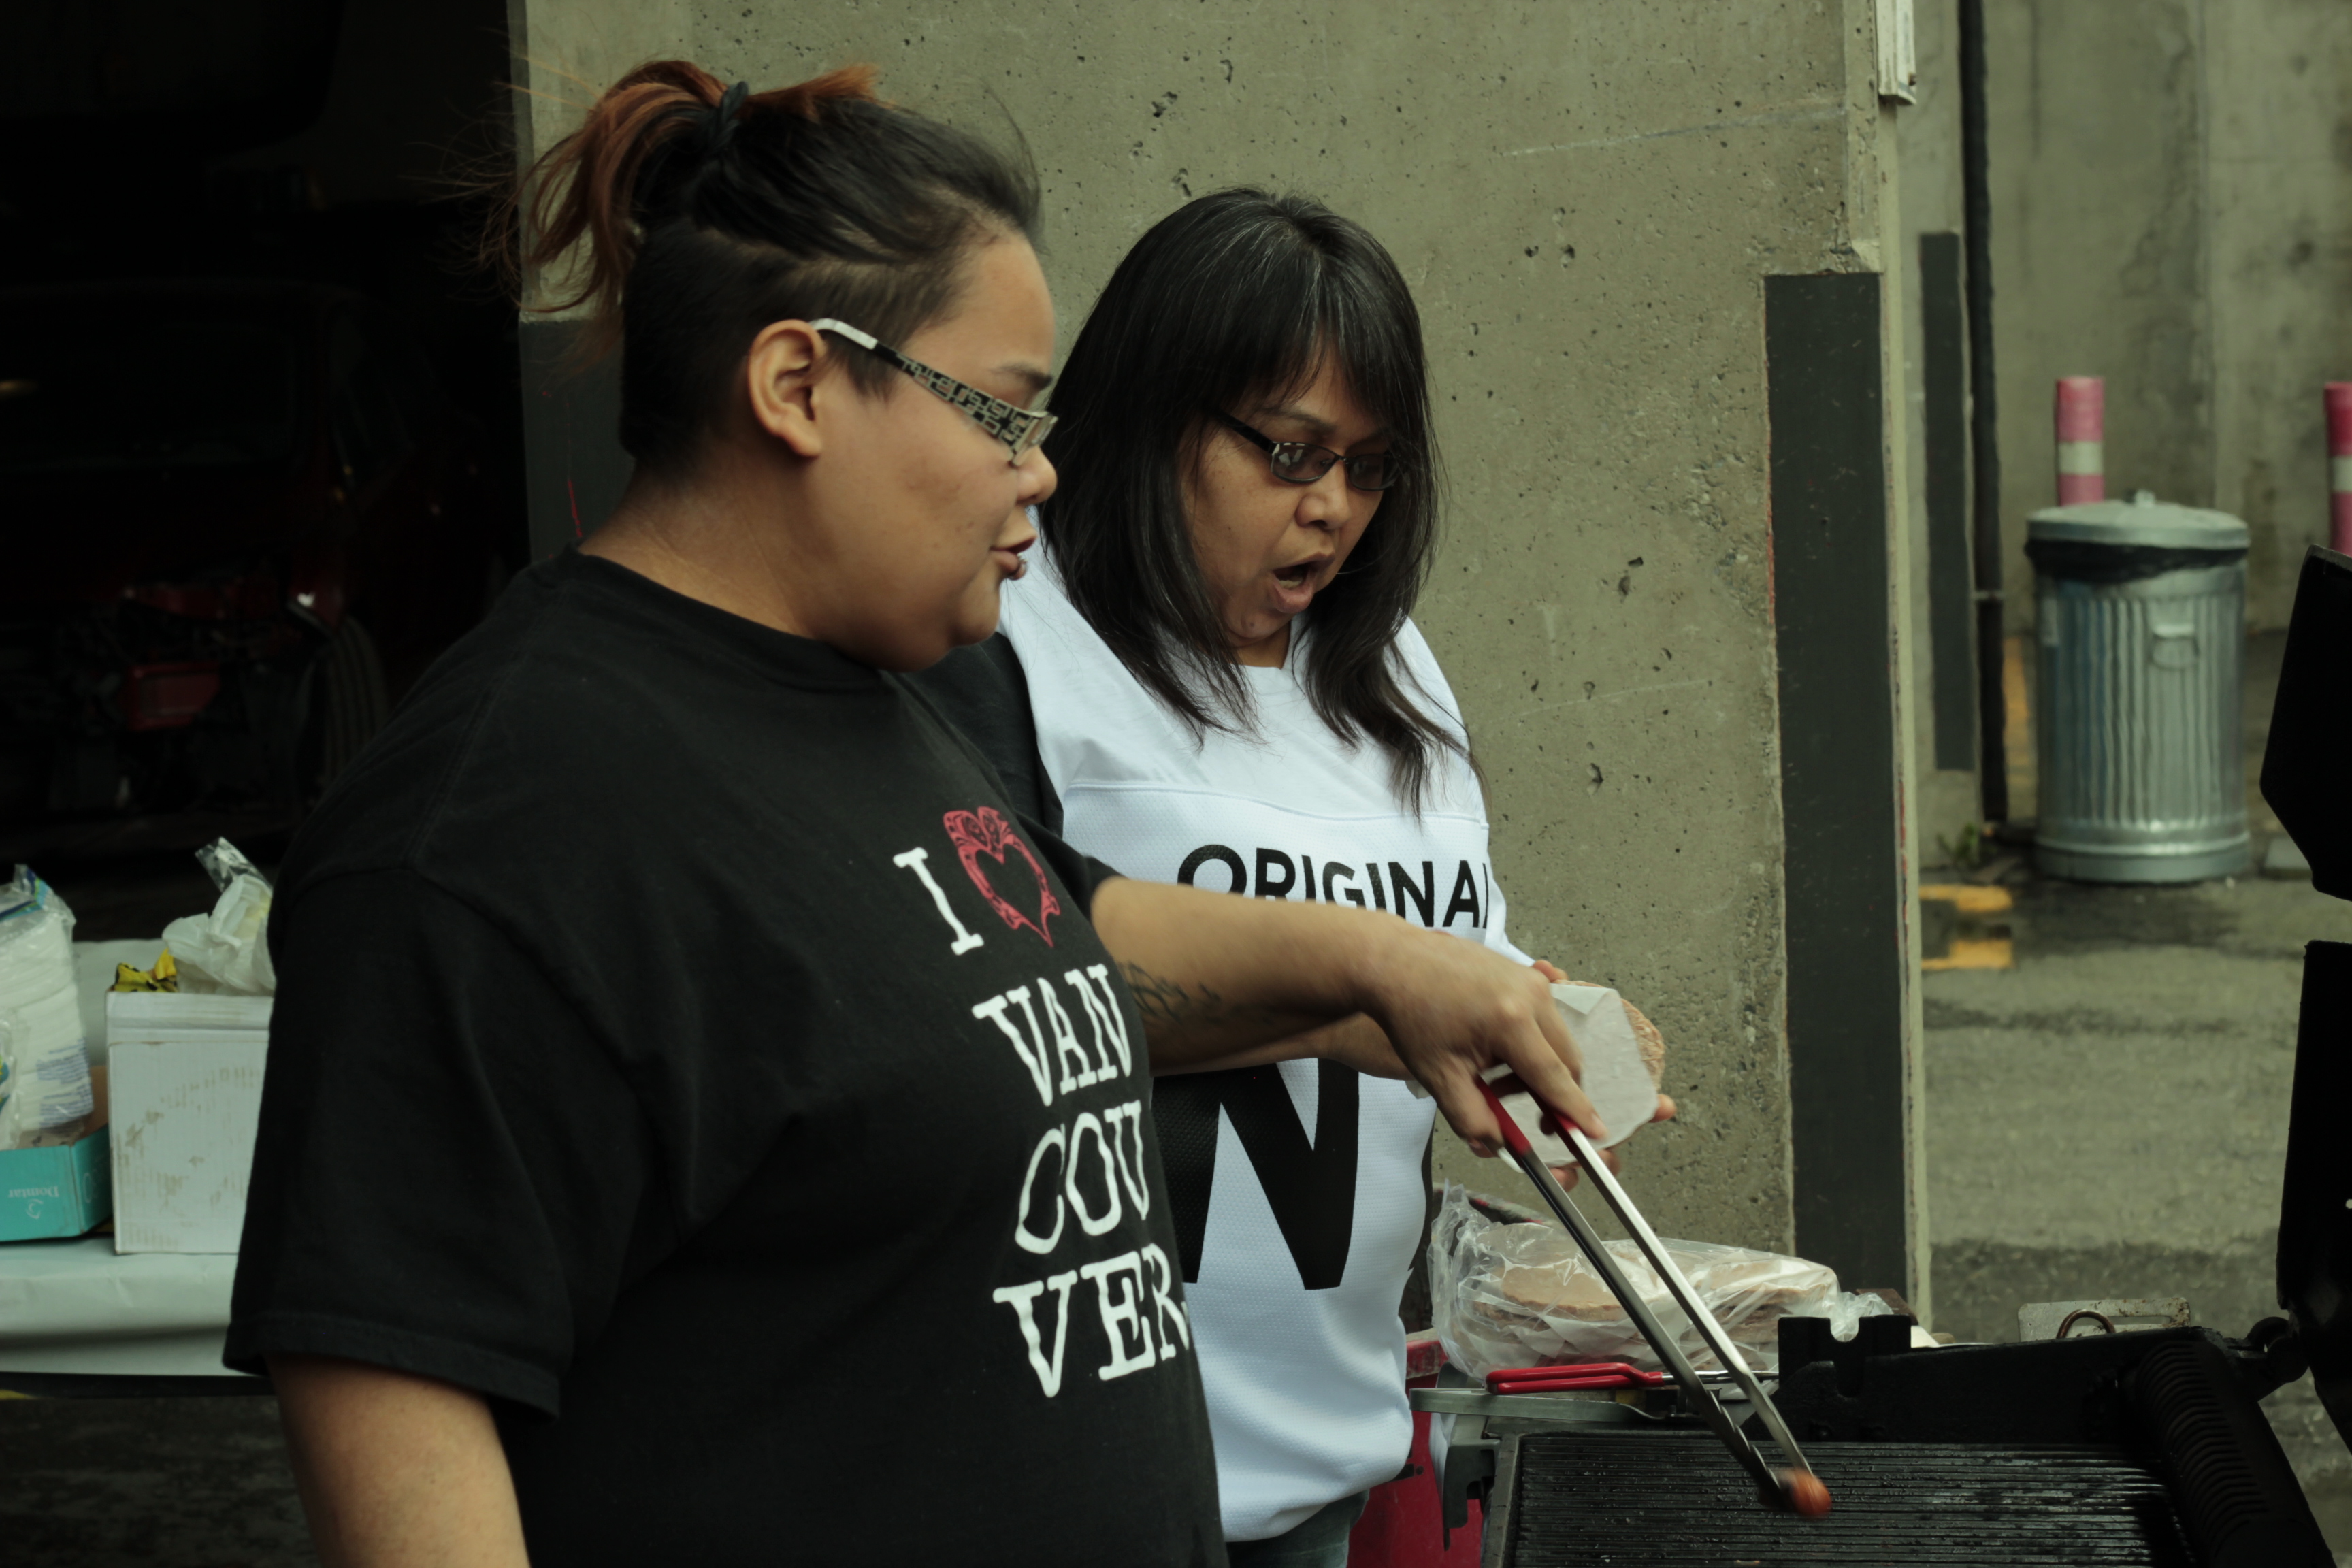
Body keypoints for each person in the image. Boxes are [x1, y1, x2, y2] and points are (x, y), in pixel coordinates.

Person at [225, 67, 1602, 1568]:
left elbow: (1075, 928)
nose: (1044, 470)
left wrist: (1382, 971)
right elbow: (398, 1393)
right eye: (1000, 410)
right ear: (798, 386)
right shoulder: (495, 826)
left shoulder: (912, 693)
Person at [913, 189, 1673, 1563]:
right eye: (1287, 452)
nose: (1331, 511)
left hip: (1322, 1447)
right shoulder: (1016, 643)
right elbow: (990, 1000)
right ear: (1153, 415)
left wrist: (1553, 1037)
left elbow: (1459, 960)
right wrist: (1374, 988)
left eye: (1371, 467)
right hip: (1088, 1470)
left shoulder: (1392, 673)